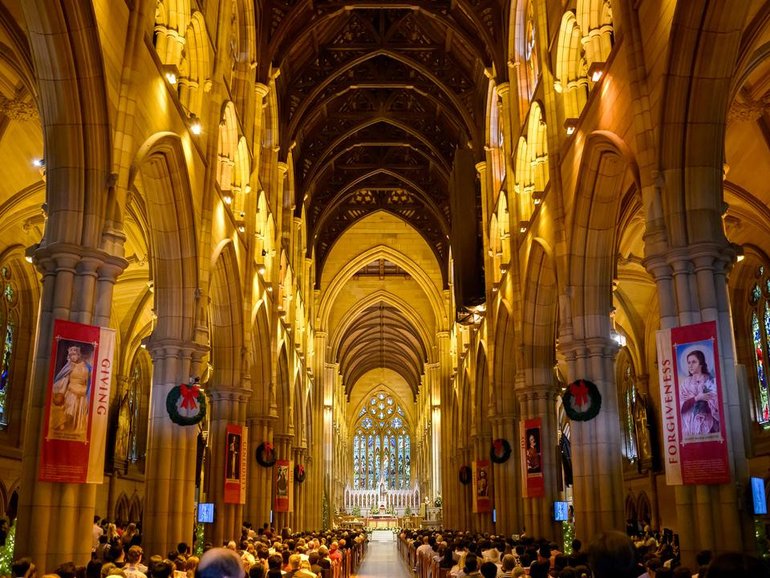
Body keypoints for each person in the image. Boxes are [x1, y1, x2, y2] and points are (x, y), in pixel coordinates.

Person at [51, 344, 92, 435]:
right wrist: (61, 393)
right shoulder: (70, 366)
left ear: (79, 354)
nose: (72, 357)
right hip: (71, 393)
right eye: (70, 355)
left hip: (82, 394)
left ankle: (73, 429)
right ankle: (65, 428)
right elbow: (64, 380)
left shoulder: (87, 367)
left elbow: (89, 382)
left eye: (74, 354)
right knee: (69, 412)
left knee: (78, 416)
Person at [679, 350, 719, 438]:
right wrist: (697, 398)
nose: (690, 365)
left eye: (694, 362)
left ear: (701, 363)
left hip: (709, 424)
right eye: (689, 362)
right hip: (691, 426)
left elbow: (715, 405)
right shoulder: (685, 384)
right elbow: (681, 407)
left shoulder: (710, 381)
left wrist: (693, 399)